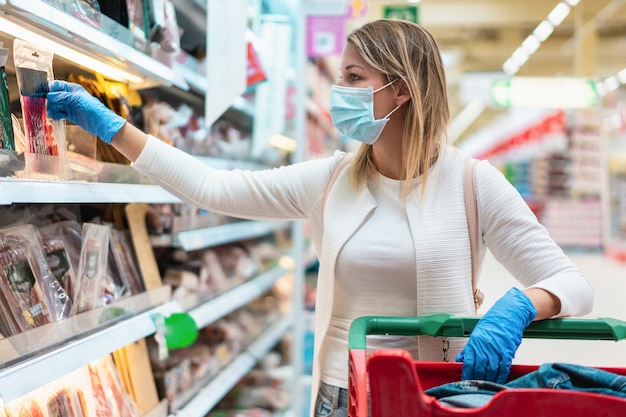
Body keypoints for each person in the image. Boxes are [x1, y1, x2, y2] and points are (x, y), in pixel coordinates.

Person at [46, 19, 594, 417]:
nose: (339, 92)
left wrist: (521, 306)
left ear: (398, 90)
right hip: (341, 396)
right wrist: (112, 127)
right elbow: (213, 187)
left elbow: (573, 284)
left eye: (354, 77)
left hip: (435, 395)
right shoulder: (333, 179)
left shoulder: (473, 184)